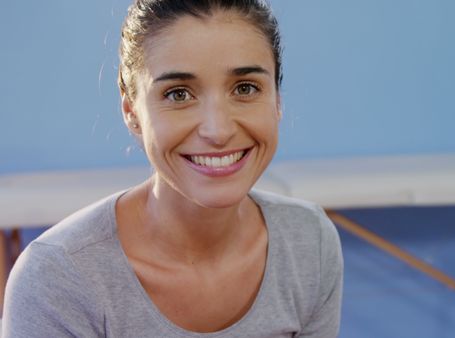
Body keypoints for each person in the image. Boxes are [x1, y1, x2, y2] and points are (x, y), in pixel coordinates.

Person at [1, 0, 343, 337]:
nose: (218, 130)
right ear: (132, 111)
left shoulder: (310, 242)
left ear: (278, 101)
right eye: (179, 94)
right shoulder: (58, 278)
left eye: (245, 88)